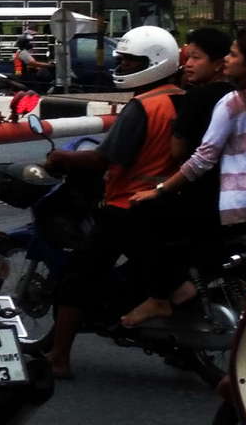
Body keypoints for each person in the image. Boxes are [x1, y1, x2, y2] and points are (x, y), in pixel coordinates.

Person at [43, 25, 182, 379]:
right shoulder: (182, 97)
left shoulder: (143, 106)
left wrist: (63, 159)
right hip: (171, 201)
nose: (122, 68)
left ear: (154, 63)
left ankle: (58, 357)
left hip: (128, 206)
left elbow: (104, 158)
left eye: (130, 62)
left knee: (78, 276)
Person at [121, 26, 234, 326]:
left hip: (203, 192)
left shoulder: (197, 98)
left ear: (219, 62)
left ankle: (161, 296)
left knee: (137, 216)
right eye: (187, 57)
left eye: (196, 58)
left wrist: (159, 189)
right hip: (239, 190)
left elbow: (179, 152)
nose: (188, 64)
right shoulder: (242, 96)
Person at [130, 26, 246, 242]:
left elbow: (202, 158)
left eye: (233, 55)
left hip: (240, 205)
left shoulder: (233, 102)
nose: (226, 59)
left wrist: (160, 190)